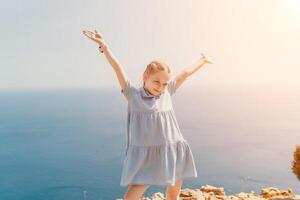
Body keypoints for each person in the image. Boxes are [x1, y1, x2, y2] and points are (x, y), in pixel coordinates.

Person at [82, 29, 213, 200]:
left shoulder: (167, 92)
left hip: (173, 149)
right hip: (146, 157)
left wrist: (202, 60)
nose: (160, 87)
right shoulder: (133, 94)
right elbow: (117, 68)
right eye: (156, 81)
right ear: (146, 76)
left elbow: (185, 74)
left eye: (165, 83)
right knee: (132, 196)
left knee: (173, 193)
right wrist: (104, 47)